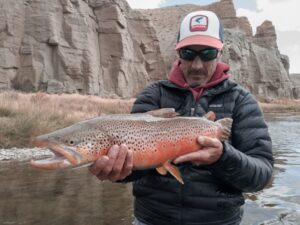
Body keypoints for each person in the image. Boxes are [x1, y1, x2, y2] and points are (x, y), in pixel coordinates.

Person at [89, 10, 273, 225]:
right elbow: (133, 168)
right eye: (188, 53)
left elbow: (263, 176)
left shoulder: (241, 100)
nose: (197, 64)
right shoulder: (154, 95)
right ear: (178, 54)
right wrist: (119, 171)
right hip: (152, 219)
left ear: (220, 53)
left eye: (207, 54)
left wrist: (223, 156)